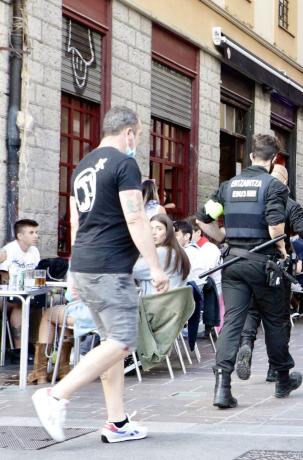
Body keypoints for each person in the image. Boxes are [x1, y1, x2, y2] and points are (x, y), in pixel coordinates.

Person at [32, 106, 170, 443]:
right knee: (123, 341)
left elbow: (76, 222)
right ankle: (56, 396)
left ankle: (117, 422)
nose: (136, 141)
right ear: (129, 133)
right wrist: (155, 266)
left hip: (86, 264)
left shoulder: (82, 166)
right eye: (137, 135)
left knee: (110, 342)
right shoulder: (125, 164)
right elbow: (136, 218)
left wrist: (74, 272)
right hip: (110, 267)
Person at [196, 133, 301, 409]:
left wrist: (221, 239)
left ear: (251, 156)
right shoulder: (274, 186)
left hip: (232, 263)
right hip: (263, 262)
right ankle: (281, 379)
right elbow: (276, 227)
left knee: (232, 321)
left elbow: (202, 218)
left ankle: (222, 386)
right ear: (274, 159)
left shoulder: (228, 187)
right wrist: (282, 251)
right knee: (275, 321)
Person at [235, 163, 303, 382]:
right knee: (278, 318)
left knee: (251, 310)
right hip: (277, 264)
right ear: (285, 182)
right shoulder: (289, 204)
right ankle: (274, 369)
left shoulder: (254, 197)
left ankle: (246, 345)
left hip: (249, 261)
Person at [0, 219, 40, 350]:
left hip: (26, 292)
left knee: (39, 304)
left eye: (36, 232)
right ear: (20, 236)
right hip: (6, 295)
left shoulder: (34, 251)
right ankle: (19, 350)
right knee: (20, 304)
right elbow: (4, 277)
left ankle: (37, 347)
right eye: (31, 232)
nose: (36, 236)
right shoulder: (9, 250)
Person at [133, 214, 190, 295]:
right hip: (173, 302)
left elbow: (132, 270)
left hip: (159, 303)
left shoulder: (163, 252)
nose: (153, 233)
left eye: (159, 229)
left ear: (168, 232)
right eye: (151, 228)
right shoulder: (176, 249)